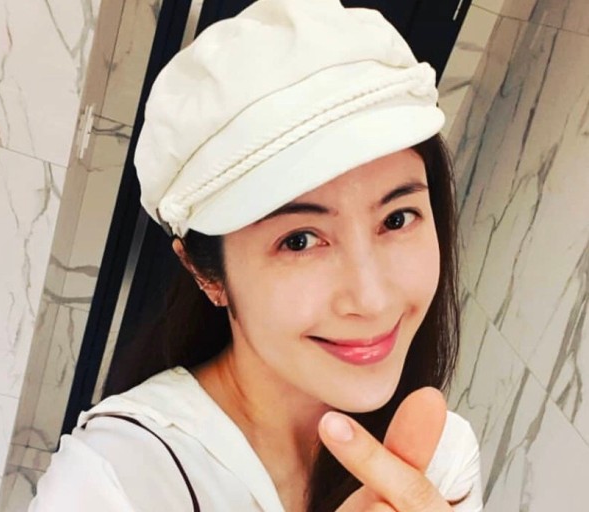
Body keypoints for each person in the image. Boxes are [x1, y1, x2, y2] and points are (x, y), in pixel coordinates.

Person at [29, 0, 483, 510]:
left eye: (397, 219)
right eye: (300, 240)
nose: (372, 299)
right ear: (205, 272)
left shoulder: (439, 458)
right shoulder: (118, 481)